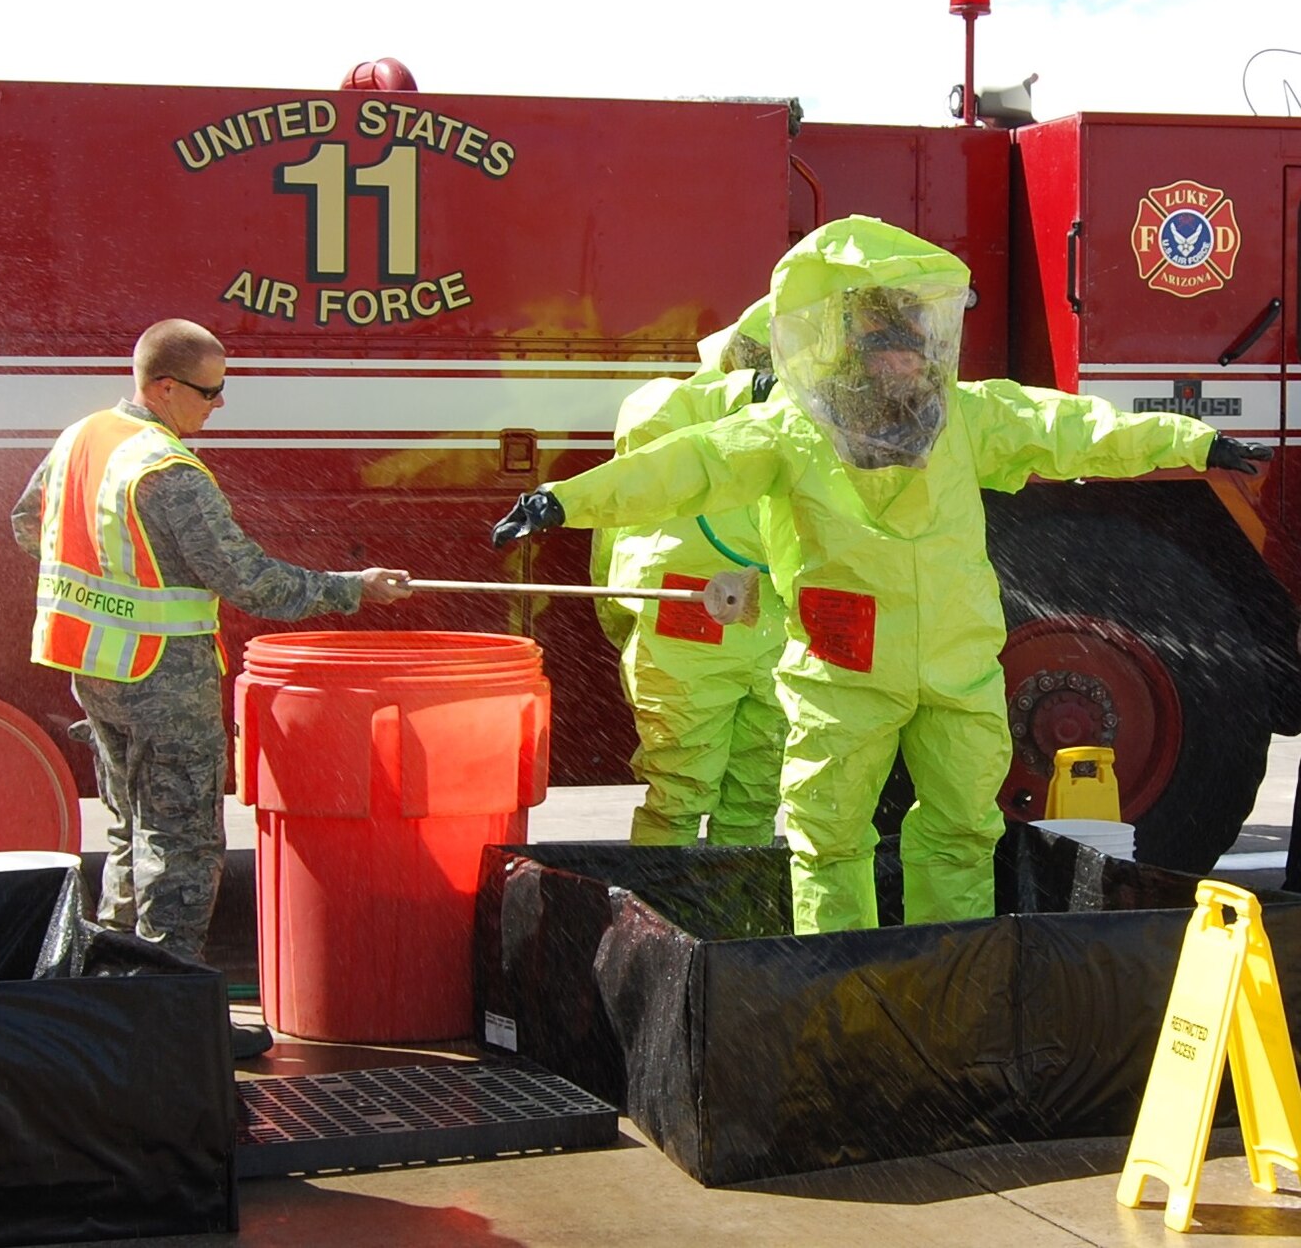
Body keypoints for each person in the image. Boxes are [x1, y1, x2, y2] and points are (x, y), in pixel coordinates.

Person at [494, 216, 1270, 934]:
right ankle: (836, 980)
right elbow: (685, 467)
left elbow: (1069, 428)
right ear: (852, 355)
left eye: (910, 346)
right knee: (828, 838)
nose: (903, 363)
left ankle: (948, 970)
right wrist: (564, 501)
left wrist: (1192, 443)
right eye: (885, 348)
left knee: (965, 828)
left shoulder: (965, 418)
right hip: (845, 675)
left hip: (956, 671)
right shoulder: (793, 431)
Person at [12, 318, 412, 1056]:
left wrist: (109, 575)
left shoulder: (83, 437)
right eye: (209, 391)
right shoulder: (167, 470)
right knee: (185, 843)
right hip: (162, 673)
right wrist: (355, 589)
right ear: (164, 387)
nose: (218, 405)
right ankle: (173, 1023)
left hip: (94, 667)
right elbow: (250, 579)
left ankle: (117, 997)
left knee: (130, 830)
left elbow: (25, 523)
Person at [592, 298, 786, 846]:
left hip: (768, 632)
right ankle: (659, 919)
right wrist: (747, 393)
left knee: (755, 796)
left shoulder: (787, 436)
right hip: (688, 631)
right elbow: (652, 419)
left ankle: (731, 918)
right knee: (679, 792)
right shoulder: (672, 406)